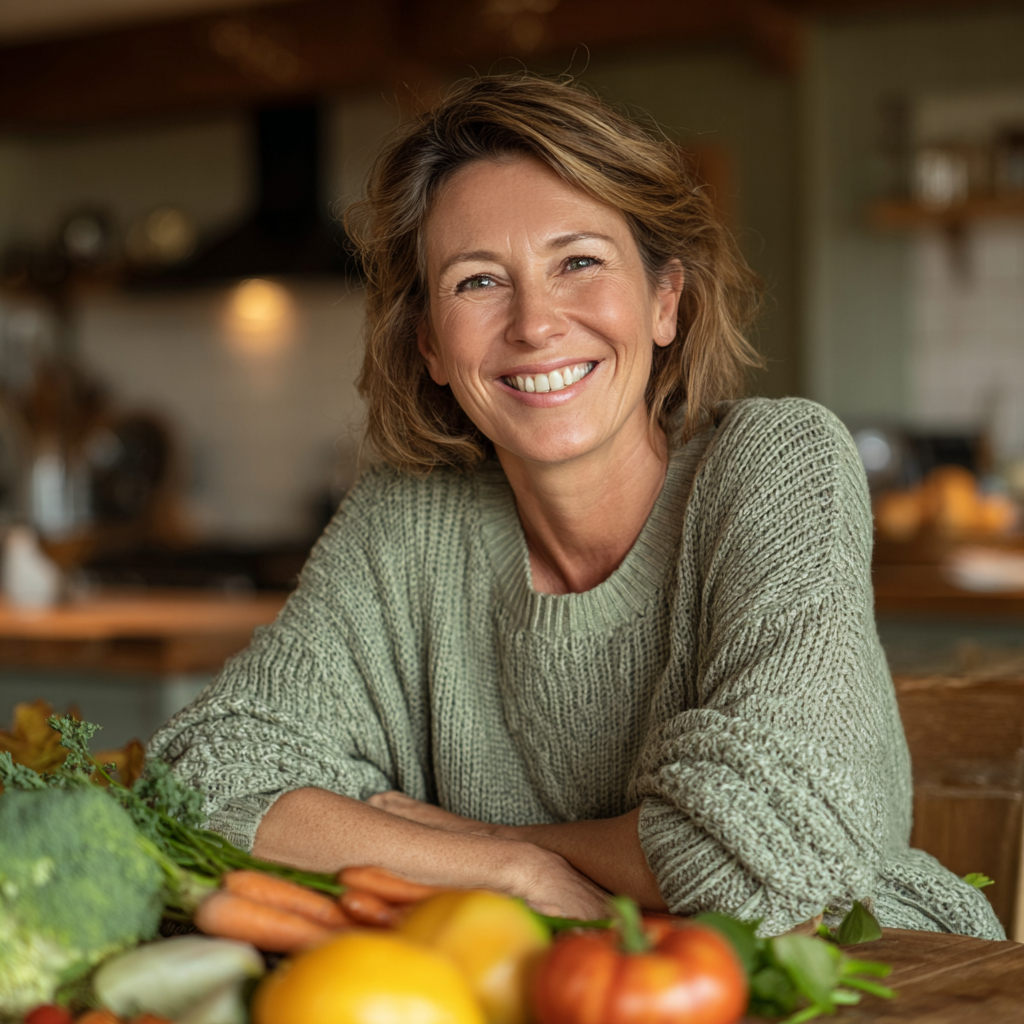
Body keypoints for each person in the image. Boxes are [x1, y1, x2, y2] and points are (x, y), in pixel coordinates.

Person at [151, 75, 1002, 939]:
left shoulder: (777, 466)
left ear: (664, 300)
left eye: (579, 262)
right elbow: (204, 787)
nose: (535, 324)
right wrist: (512, 873)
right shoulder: (404, 522)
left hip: (870, 977)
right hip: (526, 985)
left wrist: (483, 841)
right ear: (432, 346)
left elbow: (763, 863)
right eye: (478, 282)